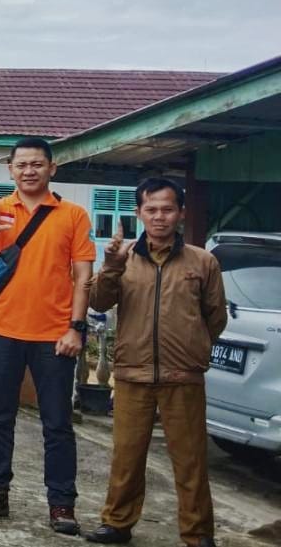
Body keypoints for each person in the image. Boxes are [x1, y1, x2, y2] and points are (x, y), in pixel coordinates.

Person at [0, 137, 96, 534]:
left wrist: (77, 327)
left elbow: (83, 276)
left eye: (38, 164)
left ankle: (61, 504)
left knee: (57, 423)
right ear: (11, 170)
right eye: (22, 165)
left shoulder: (73, 215)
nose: (30, 171)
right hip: (1, 329)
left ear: (52, 168)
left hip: (55, 336)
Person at [84, 178, 226, 547]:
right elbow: (98, 302)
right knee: (127, 456)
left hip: (184, 375)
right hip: (133, 372)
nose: (159, 217)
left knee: (191, 459)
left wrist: (194, 347)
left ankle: (198, 534)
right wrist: (110, 266)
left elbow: (216, 317)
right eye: (151, 209)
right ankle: (116, 524)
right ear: (139, 213)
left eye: (167, 209)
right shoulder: (123, 258)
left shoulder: (202, 261)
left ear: (180, 213)